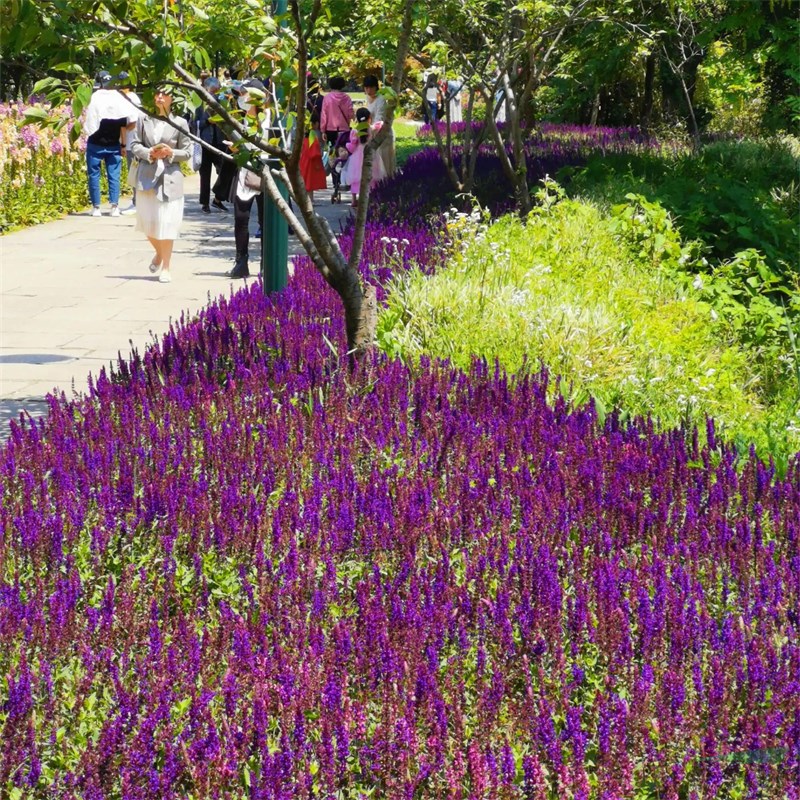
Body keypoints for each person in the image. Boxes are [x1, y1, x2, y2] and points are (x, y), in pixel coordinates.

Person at [128, 86, 191, 283]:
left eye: (165, 94)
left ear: (173, 99)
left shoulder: (180, 122)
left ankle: (166, 266)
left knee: (167, 224)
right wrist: (150, 153)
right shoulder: (143, 119)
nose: (160, 97)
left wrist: (170, 153)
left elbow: (187, 151)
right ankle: (159, 253)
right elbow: (135, 144)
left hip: (170, 179)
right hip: (147, 176)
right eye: (157, 93)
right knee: (147, 223)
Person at [227, 79, 271, 279]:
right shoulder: (240, 118)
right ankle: (241, 261)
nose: (242, 98)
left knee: (266, 221)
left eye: (246, 94)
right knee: (241, 218)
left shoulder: (271, 117)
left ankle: (267, 262)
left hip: (266, 173)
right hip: (245, 172)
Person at [84, 71, 139, 217]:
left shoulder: (95, 98)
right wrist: (122, 145)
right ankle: (114, 207)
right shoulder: (118, 100)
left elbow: (89, 120)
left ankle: (96, 207)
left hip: (95, 143)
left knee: (94, 176)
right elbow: (125, 124)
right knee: (114, 176)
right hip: (114, 144)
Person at [195, 76, 228, 213]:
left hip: (220, 143)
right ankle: (205, 203)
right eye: (212, 91)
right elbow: (194, 125)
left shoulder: (222, 103)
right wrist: (208, 122)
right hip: (205, 143)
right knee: (205, 175)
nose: (215, 93)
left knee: (225, 172)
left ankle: (218, 199)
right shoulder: (199, 106)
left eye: (217, 90)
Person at [341, 107, 386, 206]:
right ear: (369, 118)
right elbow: (381, 125)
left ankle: (353, 199)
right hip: (369, 153)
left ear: (357, 118)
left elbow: (352, 147)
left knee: (356, 177)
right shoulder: (371, 129)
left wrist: (347, 146)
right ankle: (370, 198)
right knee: (371, 175)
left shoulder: (354, 131)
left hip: (357, 157)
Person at [363, 74, 396, 177]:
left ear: (376, 87)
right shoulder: (368, 99)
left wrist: (369, 129)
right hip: (372, 136)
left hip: (383, 136)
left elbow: (379, 119)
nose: (368, 90)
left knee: (385, 165)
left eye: (371, 87)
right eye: (366, 87)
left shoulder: (381, 99)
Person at [299, 112, 327, 202]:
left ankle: (306, 199)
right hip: (311, 163)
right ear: (316, 123)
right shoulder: (313, 136)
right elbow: (316, 152)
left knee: (305, 181)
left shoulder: (302, 137)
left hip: (303, 161)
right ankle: (310, 200)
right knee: (310, 183)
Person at [320, 76, 354, 150]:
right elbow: (351, 114)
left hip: (330, 130)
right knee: (344, 152)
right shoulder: (347, 98)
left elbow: (324, 115)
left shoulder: (327, 98)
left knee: (332, 152)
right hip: (344, 129)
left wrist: (323, 130)